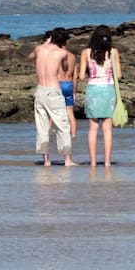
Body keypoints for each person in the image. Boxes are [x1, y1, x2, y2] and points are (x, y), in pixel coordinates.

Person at [32, 28, 75, 166]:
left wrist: (45, 45)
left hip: (40, 91)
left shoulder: (39, 49)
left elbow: (29, 57)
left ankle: (46, 160)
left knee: (42, 127)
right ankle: (67, 160)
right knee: (62, 126)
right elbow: (66, 67)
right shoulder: (62, 52)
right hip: (53, 91)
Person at [78, 25, 120, 167]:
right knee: (107, 129)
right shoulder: (113, 52)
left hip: (93, 90)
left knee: (93, 128)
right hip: (108, 90)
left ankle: (93, 162)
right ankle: (107, 162)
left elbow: (81, 76)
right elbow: (118, 75)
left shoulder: (86, 53)